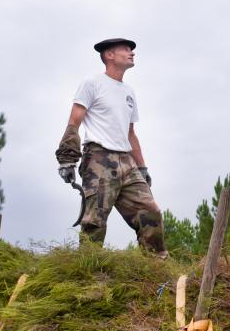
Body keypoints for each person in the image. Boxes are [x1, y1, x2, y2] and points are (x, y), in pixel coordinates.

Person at [55, 37, 168, 257]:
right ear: (109, 55)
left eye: (132, 49)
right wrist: (67, 158)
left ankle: (156, 269)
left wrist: (142, 168)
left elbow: (130, 133)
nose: (131, 52)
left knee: (150, 212)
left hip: (127, 161)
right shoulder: (92, 83)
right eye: (125, 49)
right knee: (95, 221)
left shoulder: (129, 92)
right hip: (99, 158)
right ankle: (87, 270)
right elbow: (74, 121)